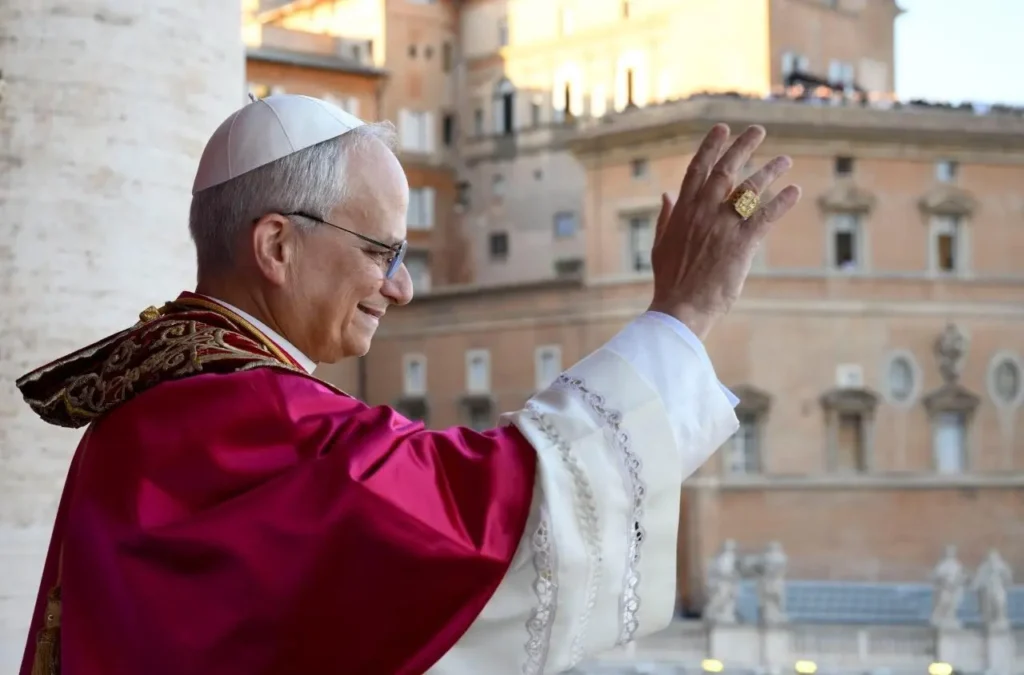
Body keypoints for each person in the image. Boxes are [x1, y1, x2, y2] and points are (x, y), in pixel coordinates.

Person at [15, 94, 800, 675]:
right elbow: (492, 509)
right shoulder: (261, 419)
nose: (402, 287)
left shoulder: (139, 410)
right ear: (277, 245)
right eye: (380, 251)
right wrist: (682, 314)